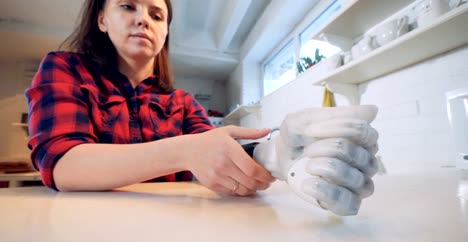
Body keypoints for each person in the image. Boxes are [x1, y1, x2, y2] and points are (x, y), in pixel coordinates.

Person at [25, 0, 379, 216]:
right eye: (127, 5)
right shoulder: (64, 69)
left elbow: (217, 156)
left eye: (157, 14)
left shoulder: (181, 103)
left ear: (165, 32)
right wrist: (186, 151)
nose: (143, 19)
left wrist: (276, 155)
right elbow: (64, 165)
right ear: (101, 18)